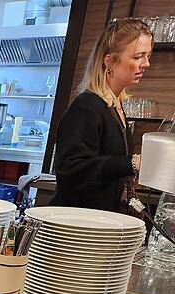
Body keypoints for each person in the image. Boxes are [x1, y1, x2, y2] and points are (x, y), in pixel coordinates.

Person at [51, 18, 152, 213]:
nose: (146, 63)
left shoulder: (114, 106)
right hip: (77, 225)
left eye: (148, 55)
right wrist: (130, 163)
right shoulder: (87, 107)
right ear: (109, 60)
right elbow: (70, 171)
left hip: (102, 222)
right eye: (138, 56)